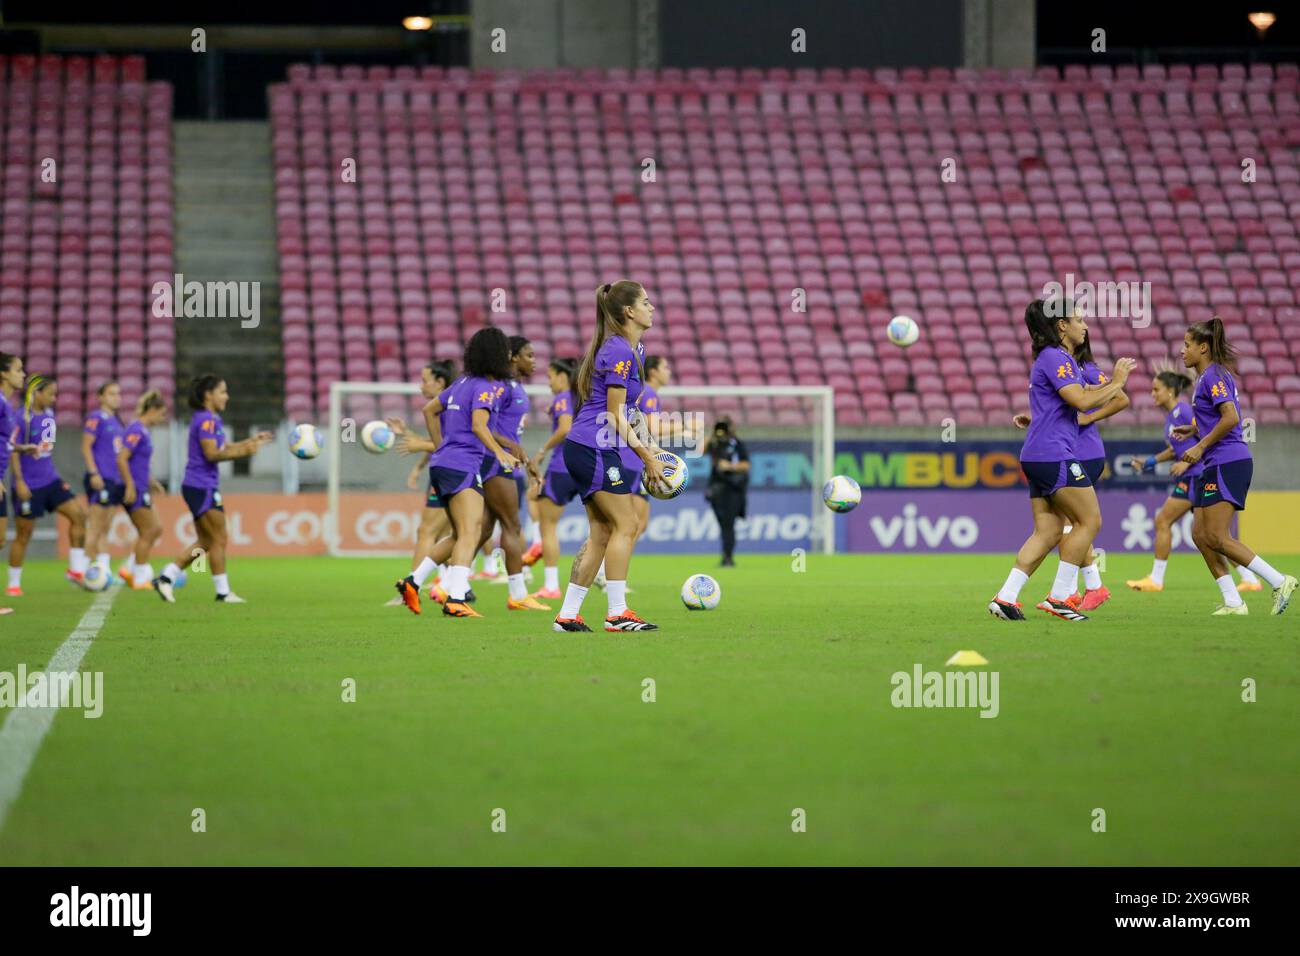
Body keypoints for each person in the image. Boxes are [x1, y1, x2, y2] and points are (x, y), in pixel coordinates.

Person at [989, 299, 1134, 621]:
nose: (1085, 326)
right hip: (1054, 453)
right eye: (1079, 320)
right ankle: (1059, 596)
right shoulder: (1056, 357)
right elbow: (1080, 400)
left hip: (1038, 453)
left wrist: (1038, 419)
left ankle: (1006, 597)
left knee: (1049, 531)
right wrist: (1118, 382)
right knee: (1089, 521)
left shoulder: (1053, 358)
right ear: (1061, 326)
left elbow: (1061, 405)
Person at [553, 280, 667, 632]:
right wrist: (647, 458)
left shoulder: (636, 350)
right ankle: (617, 613)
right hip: (593, 447)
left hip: (593, 447)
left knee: (602, 530)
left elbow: (628, 412)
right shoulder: (617, 351)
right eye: (646, 302)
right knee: (627, 524)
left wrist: (651, 447)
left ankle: (567, 616)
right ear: (629, 311)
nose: (652, 307)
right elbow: (615, 414)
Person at [393, 328, 522, 618]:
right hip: (463, 464)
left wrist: (441, 447)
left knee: (458, 535)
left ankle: (412, 582)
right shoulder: (486, 388)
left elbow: (429, 410)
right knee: (471, 531)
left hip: (443, 465)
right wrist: (501, 454)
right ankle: (456, 598)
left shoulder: (462, 382)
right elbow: (479, 425)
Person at [1173, 317, 1295, 615]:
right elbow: (1218, 419)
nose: (1182, 351)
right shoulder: (1205, 378)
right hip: (1216, 462)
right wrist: (1195, 431)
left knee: (1217, 536)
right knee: (1200, 536)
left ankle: (1280, 580)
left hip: (1228, 461)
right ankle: (1232, 601)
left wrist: (1200, 445)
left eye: (1187, 345)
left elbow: (1230, 418)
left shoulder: (1213, 375)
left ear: (1203, 347)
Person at [1015, 331, 1130, 611]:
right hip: (1065, 452)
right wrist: (1037, 418)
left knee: (1077, 522)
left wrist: (1087, 417)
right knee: (1070, 523)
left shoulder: (1085, 368)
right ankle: (1088, 587)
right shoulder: (1062, 366)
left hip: (1084, 452)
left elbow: (1120, 398)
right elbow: (1060, 409)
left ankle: (1074, 590)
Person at [1124, 370, 1261, 593]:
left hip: (1198, 474)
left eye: (1156, 389)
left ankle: (1157, 579)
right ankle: (1250, 579)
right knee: (1210, 535)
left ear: (1170, 391)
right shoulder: (1172, 416)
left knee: (1169, 522)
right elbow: (1175, 448)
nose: (1152, 394)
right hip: (1193, 475)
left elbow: (1203, 434)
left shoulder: (1184, 410)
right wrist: (1148, 462)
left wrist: (1186, 464)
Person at [153, 374, 274, 603]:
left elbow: (222, 447)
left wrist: (249, 442)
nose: (226, 396)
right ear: (209, 395)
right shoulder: (207, 421)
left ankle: (167, 577)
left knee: (206, 542)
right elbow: (211, 454)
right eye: (223, 391)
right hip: (202, 486)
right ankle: (223, 592)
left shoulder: (207, 419)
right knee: (219, 539)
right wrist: (244, 453)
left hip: (197, 485)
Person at [7, 374, 91, 595]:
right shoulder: (20, 418)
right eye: (51, 394)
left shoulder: (49, 415)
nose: (54, 398)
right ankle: (13, 584)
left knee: (79, 516)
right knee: (24, 535)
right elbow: (13, 451)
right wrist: (19, 482)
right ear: (36, 393)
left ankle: (76, 570)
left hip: (51, 480)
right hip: (28, 484)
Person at [385, 358, 456, 606]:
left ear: (440, 382)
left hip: (453, 472)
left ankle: (411, 589)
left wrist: (418, 445)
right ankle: (456, 586)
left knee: (428, 531)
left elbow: (450, 444)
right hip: (448, 473)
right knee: (451, 533)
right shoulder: (445, 405)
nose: (420, 386)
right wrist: (407, 437)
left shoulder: (449, 406)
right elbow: (438, 442)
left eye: (425, 380)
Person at [529, 356, 578, 601]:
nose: (548, 383)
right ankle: (604, 577)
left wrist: (541, 450)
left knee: (547, 525)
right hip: (587, 466)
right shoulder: (583, 397)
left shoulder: (562, 397)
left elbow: (566, 428)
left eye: (550, 378)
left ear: (562, 376)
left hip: (562, 467)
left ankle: (551, 585)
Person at [116, 390, 169, 590]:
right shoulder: (136, 429)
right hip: (134, 489)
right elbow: (122, 458)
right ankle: (138, 578)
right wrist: (130, 484)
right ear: (153, 410)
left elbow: (138, 463)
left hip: (141, 486)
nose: (162, 419)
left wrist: (151, 481)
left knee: (152, 530)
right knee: (151, 529)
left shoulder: (143, 430)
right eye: (162, 414)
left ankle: (130, 569)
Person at [0, 353, 37, 612]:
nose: (23, 375)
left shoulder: (6, 404)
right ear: (3, 373)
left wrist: (22, 448)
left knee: (0, 539)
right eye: (18, 370)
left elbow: (5, 442)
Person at [81, 381, 127, 582]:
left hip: (114, 479)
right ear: (101, 397)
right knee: (96, 526)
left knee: (105, 527)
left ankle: (103, 570)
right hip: (101, 477)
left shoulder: (116, 421)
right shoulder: (96, 418)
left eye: (118, 393)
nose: (116, 397)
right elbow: (86, 446)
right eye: (111, 394)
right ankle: (80, 569)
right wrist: (94, 473)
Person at [703, 416, 750, 567]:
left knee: (728, 524)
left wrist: (729, 466)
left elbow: (746, 465)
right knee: (723, 524)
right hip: (716, 489)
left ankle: (727, 557)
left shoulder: (737, 444)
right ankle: (726, 555)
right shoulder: (716, 444)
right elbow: (700, 450)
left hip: (733, 489)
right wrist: (711, 433)